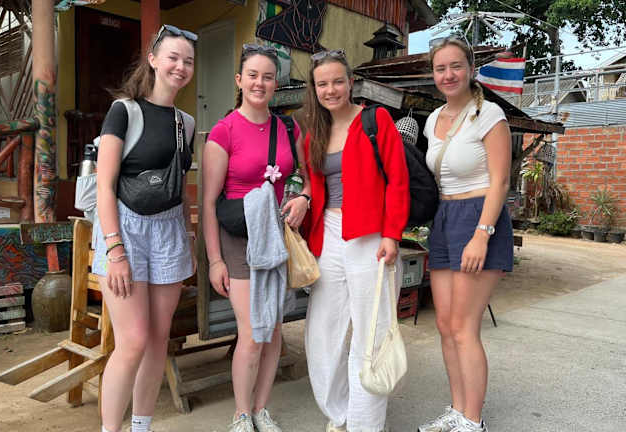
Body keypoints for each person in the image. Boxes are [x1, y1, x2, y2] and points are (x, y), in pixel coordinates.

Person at [92, 25, 198, 432]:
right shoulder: (124, 111)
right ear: (152, 60)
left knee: (157, 340)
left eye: (188, 61)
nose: (180, 66)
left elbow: (178, 186)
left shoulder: (186, 123)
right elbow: (105, 186)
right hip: (126, 229)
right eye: (172, 57)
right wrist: (115, 251)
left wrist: (187, 239)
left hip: (169, 231)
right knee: (133, 340)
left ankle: (142, 426)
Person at [201, 44, 308, 432]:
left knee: (275, 329)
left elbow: (307, 178)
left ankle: (262, 408)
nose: (259, 83)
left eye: (267, 77)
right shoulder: (224, 131)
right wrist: (215, 260)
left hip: (277, 236)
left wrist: (304, 198)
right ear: (239, 80)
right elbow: (208, 203)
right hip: (239, 239)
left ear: (276, 84)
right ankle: (242, 414)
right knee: (252, 331)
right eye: (252, 75)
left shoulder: (289, 129)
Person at [301, 49, 409, 432]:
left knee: (370, 332)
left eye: (337, 81)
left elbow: (398, 181)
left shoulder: (375, 120)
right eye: (322, 84)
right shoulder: (313, 134)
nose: (330, 90)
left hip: (370, 236)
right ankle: (340, 412)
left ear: (350, 82)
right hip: (328, 235)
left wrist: (392, 234)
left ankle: (366, 424)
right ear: (314, 89)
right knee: (323, 331)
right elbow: (313, 188)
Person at [417, 38, 513, 432]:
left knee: (464, 326)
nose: (448, 75)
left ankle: (473, 420)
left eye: (456, 66)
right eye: (440, 68)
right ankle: (457, 410)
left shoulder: (489, 114)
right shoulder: (432, 119)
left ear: (471, 69)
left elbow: (501, 180)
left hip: (479, 217)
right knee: (445, 324)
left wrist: (482, 234)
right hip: (444, 218)